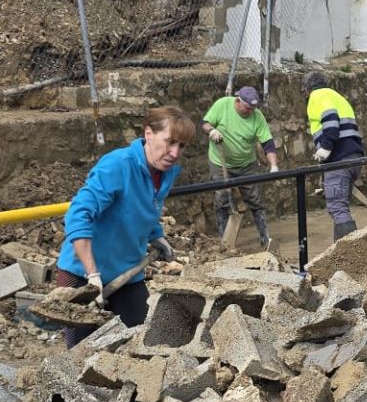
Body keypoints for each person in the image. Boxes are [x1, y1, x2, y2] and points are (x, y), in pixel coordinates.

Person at [52, 106, 193, 346]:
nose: (174, 152)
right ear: (148, 133)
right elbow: (78, 216)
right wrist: (92, 274)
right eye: (169, 142)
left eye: (181, 146)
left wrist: (155, 235)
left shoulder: (166, 172)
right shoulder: (117, 166)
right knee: (80, 355)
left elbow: (144, 207)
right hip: (81, 275)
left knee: (144, 343)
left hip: (127, 274)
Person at [204, 85, 279, 247]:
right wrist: (211, 131)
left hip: (247, 164)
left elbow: (268, 143)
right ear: (238, 101)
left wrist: (274, 166)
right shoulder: (222, 105)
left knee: (255, 200)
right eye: (247, 108)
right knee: (222, 199)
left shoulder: (257, 116)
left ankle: (265, 238)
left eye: (253, 108)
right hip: (220, 162)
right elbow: (205, 123)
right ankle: (225, 241)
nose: (249, 112)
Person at [304, 71, 366, 239]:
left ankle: (352, 256)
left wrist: (325, 148)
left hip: (339, 159)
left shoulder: (317, 96)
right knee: (341, 206)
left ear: (307, 89)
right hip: (354, 157)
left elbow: (331, 121)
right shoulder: (337, 96)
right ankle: (340, 253)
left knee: (337, 208)